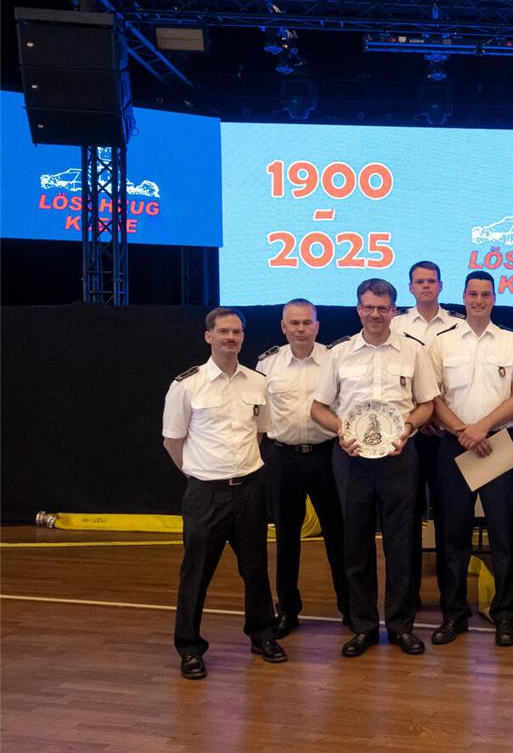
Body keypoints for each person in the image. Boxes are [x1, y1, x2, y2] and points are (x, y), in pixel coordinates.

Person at [310, 278, 437, 656]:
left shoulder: (413, 352)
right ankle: (363, 626)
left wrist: (410, 427)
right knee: (356, 546)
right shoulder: (340, 353)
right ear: (358, 309)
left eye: (383, 308)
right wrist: (342, 431)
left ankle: (400, 627)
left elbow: (427, 403)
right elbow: (318, 408)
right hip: (351, 460)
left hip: (400, 457)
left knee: (402, 546)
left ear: (394, 311)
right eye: (369, 307)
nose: (376, 314)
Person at [161, 307, 286, 680]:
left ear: (243, 337)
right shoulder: (187, 385)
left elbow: (260, 433)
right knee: (196, 574)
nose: (231, 338)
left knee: (256, 570)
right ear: (208, 336)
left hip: (249, 488)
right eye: (223, 332)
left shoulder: (257, 382)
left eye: (237, 332)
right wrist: (199, 474)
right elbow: (173, 441)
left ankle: (262, 634)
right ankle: (189, 648)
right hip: (206, 494)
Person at [427, 271, 513, 647]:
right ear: (464, 296)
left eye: (485, 294)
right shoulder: (441, 342)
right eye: (472, 294)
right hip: (455, 446)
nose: (478, 300)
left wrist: (482, 427)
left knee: (503, 536)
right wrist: (463, 433)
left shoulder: (512, 341)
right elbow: (433, 397)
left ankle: (505, 616)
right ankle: (454, 616)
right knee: (452, 536)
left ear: (493, 298)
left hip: (499, 443)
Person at [256, 298, 350, 638]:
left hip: (328, 456)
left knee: (338, 536)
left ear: (317, 326)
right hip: (283, 457)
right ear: (283, 327)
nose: (300, 329)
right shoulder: (267, 365)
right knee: (286, 538)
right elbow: (258, 417)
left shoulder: (335, 359)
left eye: (306, 323)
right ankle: (288, 610)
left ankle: (350, 608)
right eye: (293, 323)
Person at [388, 261, 461, 609]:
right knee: (408, 518)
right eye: (420, 281)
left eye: (432, 281)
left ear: (441, 286)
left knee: (450, 516)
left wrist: (441, 416)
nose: (426, 286)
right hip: (411, 434)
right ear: (410, 287)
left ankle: (451, 597)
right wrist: (421, 418)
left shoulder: (459, 326)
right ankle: (408, 596)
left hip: (448, 435)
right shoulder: (396, 324)